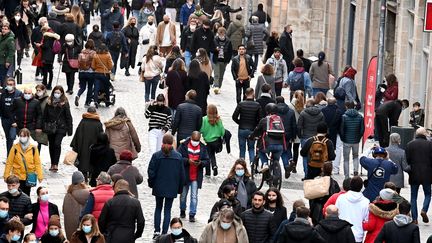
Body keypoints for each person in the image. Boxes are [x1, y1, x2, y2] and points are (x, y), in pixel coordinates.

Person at [148, 134, 186, 238]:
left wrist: (152, 183)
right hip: (172, 187)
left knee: (158, 208)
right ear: (172, 143)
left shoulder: (156, 155)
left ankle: (156, 231)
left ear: (162, 142)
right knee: (167, 209)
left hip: (158, 186)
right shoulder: (178, 157)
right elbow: (182, 175)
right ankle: (164, 232)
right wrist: (179, 189)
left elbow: (151, 171)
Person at [177, 131, 210, 222]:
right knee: (183, 196)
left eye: (197, 140)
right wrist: (188, 161)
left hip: (196, 176)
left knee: (194, 196)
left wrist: (200, 163)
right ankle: (182, 210)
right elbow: (178, 158)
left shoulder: (202, 147)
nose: (195, 141)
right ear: (191, 138)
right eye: (194, 140)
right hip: (185, 175)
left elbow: (207, 160)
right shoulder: (183, 145)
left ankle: (192, 214)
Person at [4, 128, 43, 196]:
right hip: (17, 175)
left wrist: (40, 175)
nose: (22, 138)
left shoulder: (33, 148)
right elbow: (9, 162)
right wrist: (6, 175)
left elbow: (37, 163)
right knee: (17, 194)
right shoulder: (15, 147)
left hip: (28, 176)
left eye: (24, 136)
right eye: (21, 136)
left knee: (27, 194)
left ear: (28, 136)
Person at [43, 86, 73, 172]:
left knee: (57, 144)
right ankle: (52, 162)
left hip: (61, 127)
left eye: (59, 93)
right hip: (50, 127)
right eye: (55, 92)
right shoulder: (49, 103)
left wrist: (69, 129)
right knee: (51, 145)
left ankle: (55, 164)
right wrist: (43, 126)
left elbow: (68, 117)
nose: (57, 94)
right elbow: (45, 115)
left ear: (62, 93)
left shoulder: (65, 103)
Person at [406, 127, 432, 224]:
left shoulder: (409, 144)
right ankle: (424, 210)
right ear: (425, 134)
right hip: (427, 174)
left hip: (414, 173)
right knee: (428, 194)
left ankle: (414, 218)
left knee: (413, 197)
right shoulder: (430, 144)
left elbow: (407, 160)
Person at [70, 107, 104, 181]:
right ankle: (92, 179)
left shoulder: (83, 122)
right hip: (95, 149)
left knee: (83, 164)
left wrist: (75, 147)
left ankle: (84, 180)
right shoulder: (98, 124)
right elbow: (102, 137)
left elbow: (77, 135)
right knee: (93, 164)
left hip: (83, 148)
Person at [249, 102, 284, 171]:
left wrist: (251, 136)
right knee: (275, 160)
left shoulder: (264, 120)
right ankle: (275, 173)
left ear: (267, 111)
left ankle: (265, 163)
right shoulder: (280, 119)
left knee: (260, 151)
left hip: (268, 145)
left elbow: (257, 130)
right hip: (280, 145)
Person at [335, 176, 370, 243]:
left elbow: (336, 214)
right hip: (357, 236)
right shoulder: (366, 202)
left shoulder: (341, 198)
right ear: (361, 187)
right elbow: (366, 220)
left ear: (350, 185)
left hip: (342, 233)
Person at [232, 87, 262, 164]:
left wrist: (240, 122)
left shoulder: (241, 104)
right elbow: (260, 118)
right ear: (253, 94)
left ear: (245, 94)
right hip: (252, 129)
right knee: (251, 148)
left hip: (242, 129)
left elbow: (234, 116)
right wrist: (256, 125)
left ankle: (242, 165)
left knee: (242, 149)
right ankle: (252, 164)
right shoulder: (257, 105)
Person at [297, 99, 325, 176]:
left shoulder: (303, 113)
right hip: (317, 138)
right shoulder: (320, 114)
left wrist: (300, 136)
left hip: (305, 138)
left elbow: (299, 126)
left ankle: (307, 174)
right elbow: (323, 126)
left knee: (305, 156)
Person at [62, 171, 90, 239]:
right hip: (81, 228)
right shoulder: (87, 193)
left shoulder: (67, 195)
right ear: (82, 182)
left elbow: (63, 210)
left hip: (69, 230)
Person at [340, 101, 364, 178]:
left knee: (346, 159)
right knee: (356, 156)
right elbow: (362, 129)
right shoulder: (360, 117)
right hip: (356, 140)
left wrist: (343, 138)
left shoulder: (344, 116)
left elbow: (342, 130)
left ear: (346, 106)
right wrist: (359, 137)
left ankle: (347, 176)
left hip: (346, 140)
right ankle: (356, 171)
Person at [200, 105, 225, 176]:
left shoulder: (204, 119)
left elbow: (201, 130)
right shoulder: (218, 120)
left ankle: (208, 172)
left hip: (207, 141)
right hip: (216, 141)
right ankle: (214, 165)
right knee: (212, 154)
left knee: (207, 156)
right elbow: (222, 132)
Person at [285, 90, 304, 175]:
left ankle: (290, 161)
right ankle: (294, 167)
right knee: (296, 149)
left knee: (288, 147)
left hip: (290, 129)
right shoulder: (303, 106)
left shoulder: (289, 106)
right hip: (299, 130)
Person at [0, 78, 22, 154]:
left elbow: (21, 107)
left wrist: (17, 120)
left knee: (12, 137)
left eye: (11, 84)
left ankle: (13, 154)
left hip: (14, 120)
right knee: (8, 138)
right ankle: (9, 155)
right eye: (8, 84)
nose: (9, 86)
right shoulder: (3, 93)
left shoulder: (19, 94)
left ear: (14, 85)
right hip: (5, 119)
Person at [91, 43, 113, 107]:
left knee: (96, 88)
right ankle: (107, 100)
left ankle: (95, 100)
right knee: (106, 87)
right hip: (105, 74)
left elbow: (93, 66)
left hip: (97, 74)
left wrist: (97, 69)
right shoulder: (107, 56)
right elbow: (110, 67)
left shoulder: (96, 55)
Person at [76, 39, 96, 107]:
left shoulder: (82, 51)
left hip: (81, 72)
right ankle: (87, 102)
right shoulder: (93, 53)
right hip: (90, 72)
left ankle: (78, 95)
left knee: (82, 87)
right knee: (90, 88)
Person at [0, 23, 15, 87]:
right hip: (1, 59)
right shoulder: (2, 37)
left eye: (5, 29)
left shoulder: (10, 38)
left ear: (9, 30)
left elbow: (11, 51)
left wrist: (8, 61)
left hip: (4, 61)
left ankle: (4, 89)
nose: (3, 30)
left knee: (3, 76)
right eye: (2, 28)